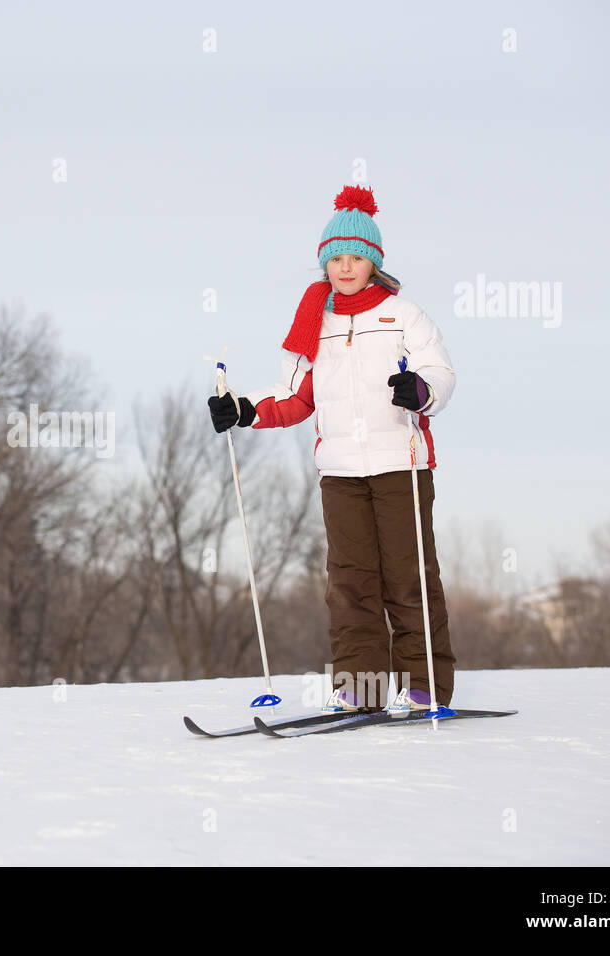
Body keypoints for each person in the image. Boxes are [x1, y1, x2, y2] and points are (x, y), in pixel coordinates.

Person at [207, 184, 457, 714]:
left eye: (356, 257)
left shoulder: (403, 316)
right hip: (340, 472)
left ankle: (423, 686)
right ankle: (360, 690)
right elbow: (296, 398)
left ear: (373, 262)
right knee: (350, 584)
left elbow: (439, 373)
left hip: (402, 467)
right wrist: (245, 409)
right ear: (325, 263)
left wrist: (422, 391)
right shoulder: (312, 323)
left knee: (409, 577)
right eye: (335, 258)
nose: (345, 268)